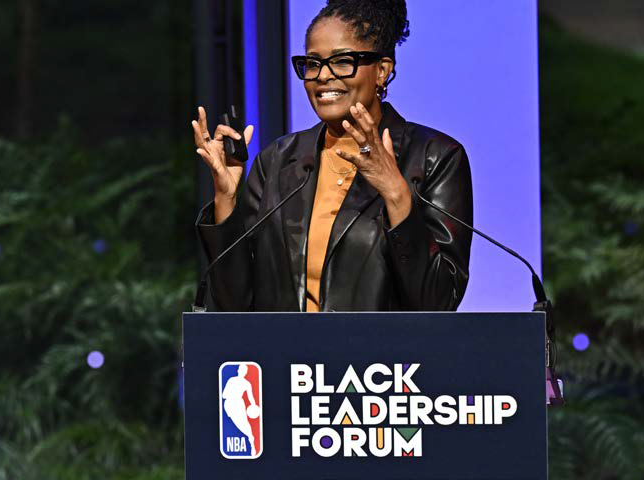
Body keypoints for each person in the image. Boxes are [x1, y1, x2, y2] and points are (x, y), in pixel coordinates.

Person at [193, 0, 473, 312]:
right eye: (312, 64)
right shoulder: (277, 160)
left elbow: (438, 302)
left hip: (383, 360)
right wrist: (226, 198)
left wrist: (395, 193)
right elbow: (235, 306)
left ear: (382, 70)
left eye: (342, 62)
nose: (322, 76)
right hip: (287, 359)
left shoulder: (435, 157)